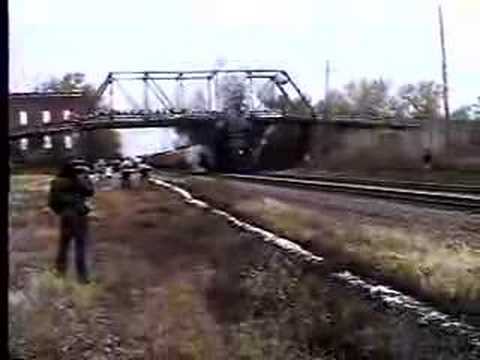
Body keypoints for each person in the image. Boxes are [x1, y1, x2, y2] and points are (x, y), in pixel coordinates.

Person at [48, 160, 95, 283]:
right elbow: (90, 191)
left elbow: (52, 203)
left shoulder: (57, 182)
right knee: (80, 246)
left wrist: (61, 211)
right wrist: (85, 177)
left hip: (66, 216)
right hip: (79, 216)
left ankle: (60, 272)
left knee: (63, 245)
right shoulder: (80, 181)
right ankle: (82, 277)